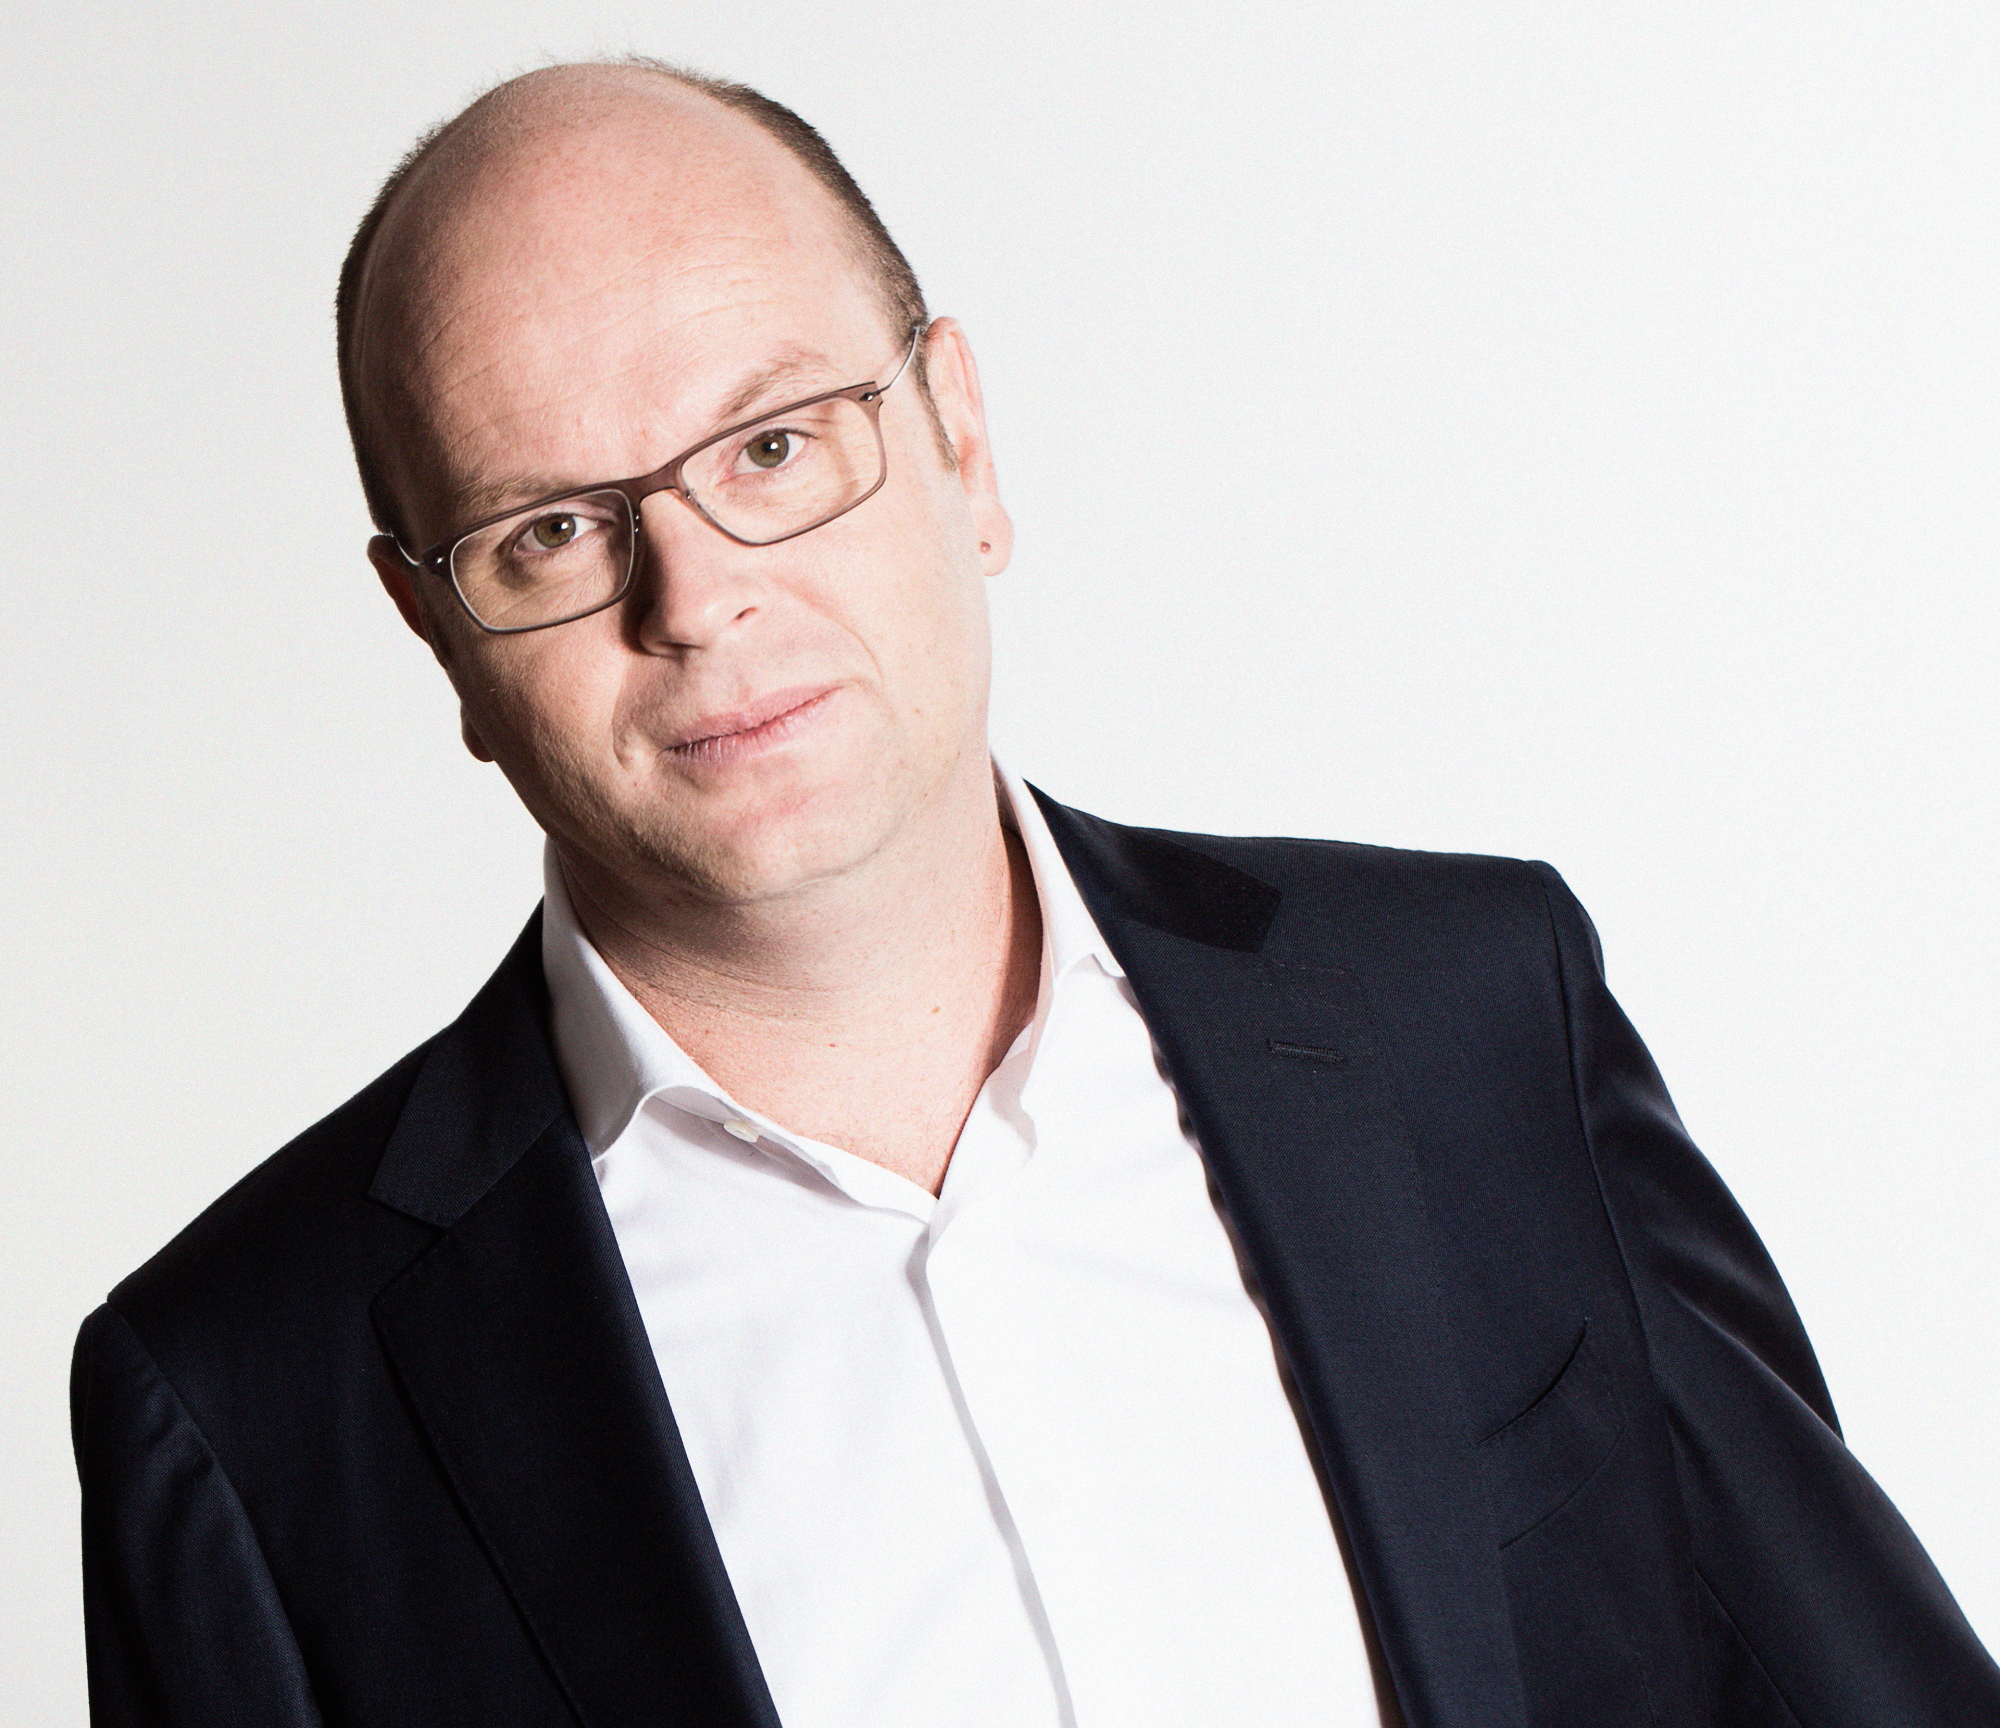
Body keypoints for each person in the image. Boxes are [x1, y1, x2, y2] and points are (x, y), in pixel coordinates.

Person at [69, 56, 1997, 1728]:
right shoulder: (249, 1404)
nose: (700, 595)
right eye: (552, 529)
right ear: (433, 627)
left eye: (772, 445)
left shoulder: (1475, 1030)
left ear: (961, 443)